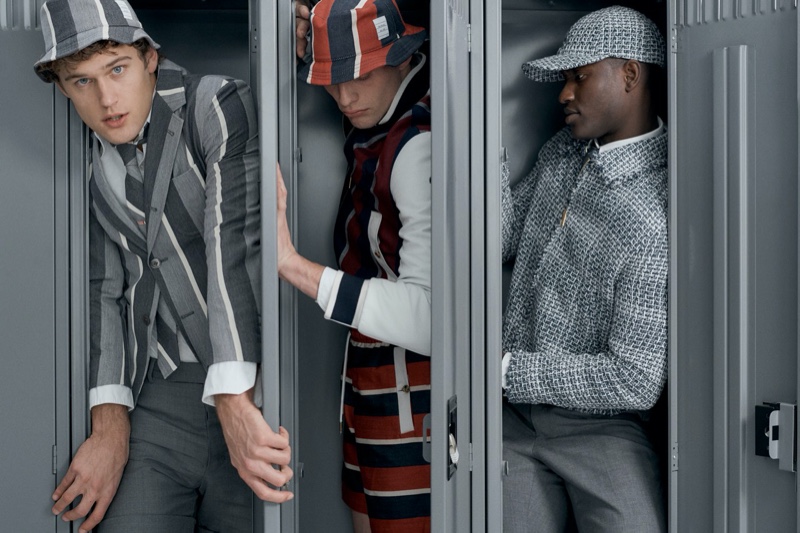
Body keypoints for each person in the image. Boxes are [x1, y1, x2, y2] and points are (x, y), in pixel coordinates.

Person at [33, 0, 292, 530]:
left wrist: (236, 402)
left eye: (117, 69)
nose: (106, 99)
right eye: (81, 82)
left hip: (252, 387)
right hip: (157, 395)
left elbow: (231, 247)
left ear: (150, 57)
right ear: (61, 87)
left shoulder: (214, 104)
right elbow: (102, 288)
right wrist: (109, 424)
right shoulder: (84, 161)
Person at [501, 6, 668, 533]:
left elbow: (637, 381)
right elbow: (500, 242)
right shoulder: (561, 153)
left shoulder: (655, 210)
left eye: (579, 76)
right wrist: (483, 157)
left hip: (602, 431)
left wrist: (509, 371)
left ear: (630, 75)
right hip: (512, 420)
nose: (563, 94)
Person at [281, 0, 432, 531]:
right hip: (369, 379)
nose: (344, 96)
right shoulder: (383, 111)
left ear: (402, 55)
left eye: (361, 75)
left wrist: (293, 266)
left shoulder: (419, 144)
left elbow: (433, 318)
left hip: (415, 396)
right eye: (331, 79)